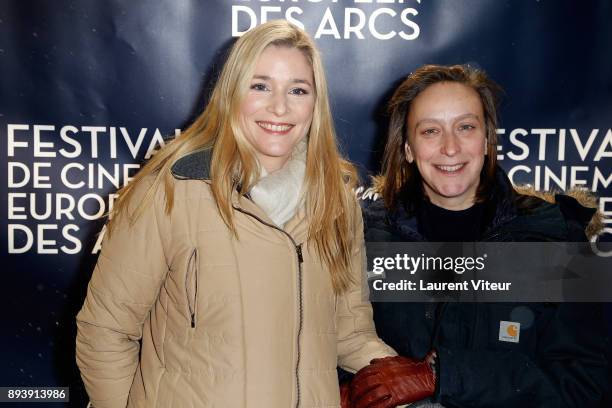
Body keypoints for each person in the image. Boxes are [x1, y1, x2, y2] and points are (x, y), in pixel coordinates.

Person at [75, 20, 396, 408]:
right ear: (231, 94)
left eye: (298, 90)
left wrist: (423, 383)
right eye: (259, 86)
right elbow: (105, 332)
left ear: (316, 104)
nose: (280, 106)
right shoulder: (171, 191)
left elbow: (350, 334)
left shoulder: (337, 202)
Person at [345, 64, 609, 407]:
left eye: (465, 127)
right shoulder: (363, 238)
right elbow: (329, 349)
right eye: (429, 131)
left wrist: (442, 376)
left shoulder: (558, 239)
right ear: (407, 148)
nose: (450, 148)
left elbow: (588, 384)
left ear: (487, 140)